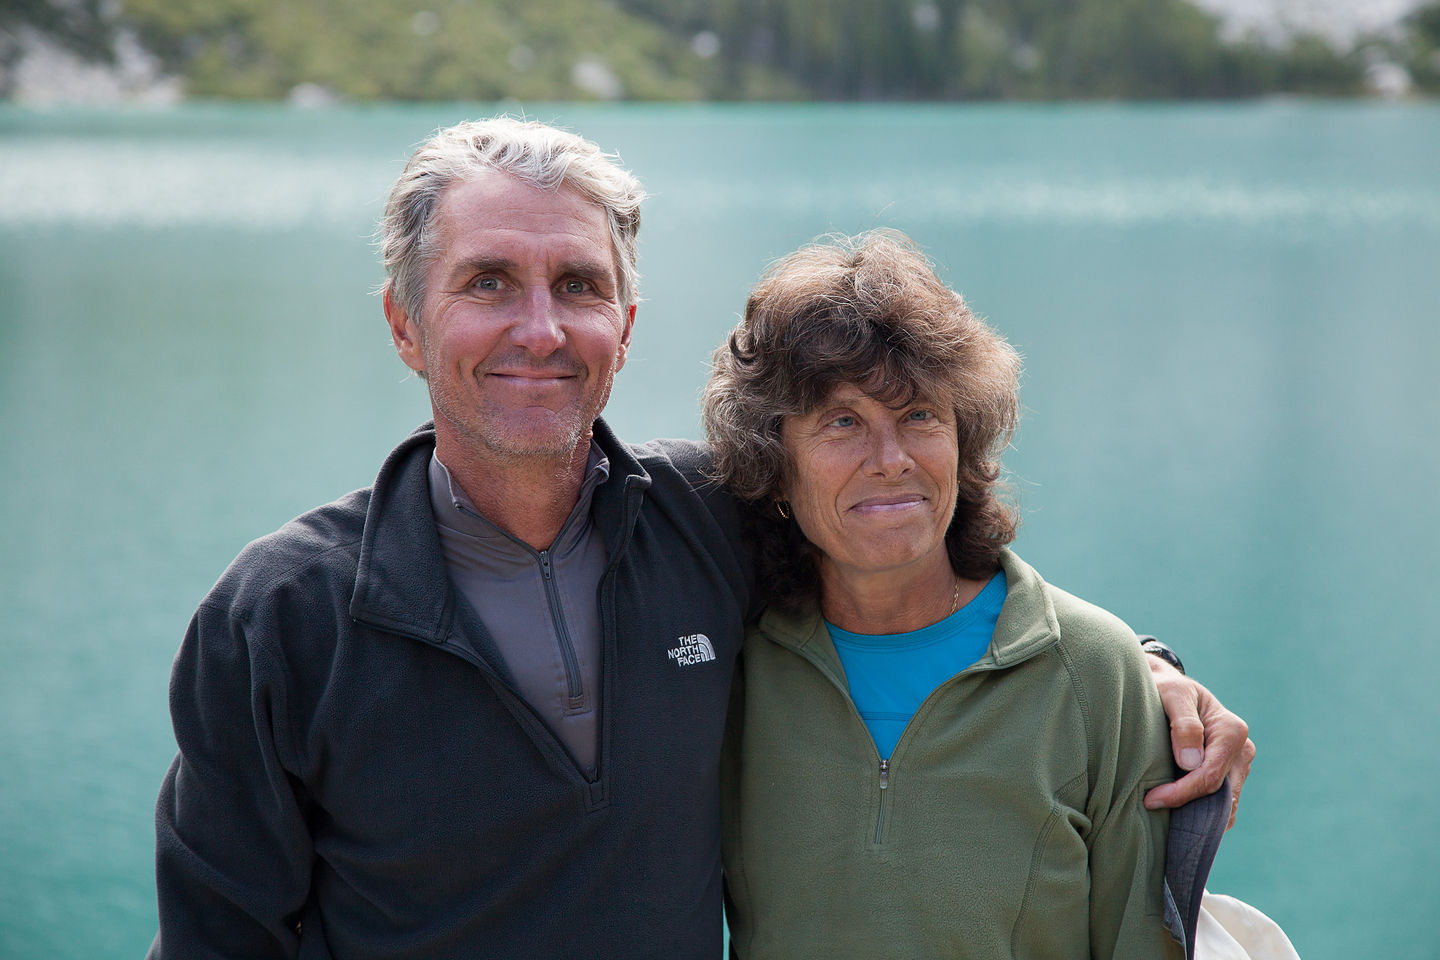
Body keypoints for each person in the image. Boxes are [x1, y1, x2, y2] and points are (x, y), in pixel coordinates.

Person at [149, 119, 1251, 959]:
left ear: (624, 328)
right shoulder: (279, 618)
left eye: (579, 286)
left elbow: (905, 559)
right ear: (405, 323)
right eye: (488, 283)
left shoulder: (707, 520)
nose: (541, 328)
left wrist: (1147, 680)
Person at [704, 230, 1228, 958]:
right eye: (842, 422)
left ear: (965, 441)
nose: (891, 460)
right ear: (774, 464)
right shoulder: (730, 664)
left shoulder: (1095, 672)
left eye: (920, 415)